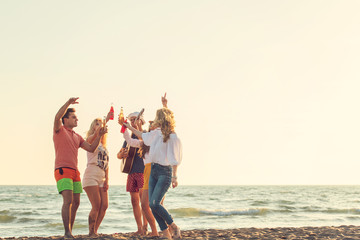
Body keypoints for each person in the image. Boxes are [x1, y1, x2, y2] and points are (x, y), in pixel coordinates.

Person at [123, 107, 182, 239]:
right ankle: (166, 233)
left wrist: (175, 176)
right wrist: (127, 127)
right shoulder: (154, 134)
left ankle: (173, 226)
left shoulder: (171, 135)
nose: (153, 121)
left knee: (155, 203)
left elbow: (175, 157)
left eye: (156, 118)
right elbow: (139, 136)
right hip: (153, 170)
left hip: (164, 171)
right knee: (151, 204)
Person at [53, 97, 107, 239]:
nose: (77, 120)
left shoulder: (77, 136)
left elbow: (91, 148)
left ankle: (70, 230)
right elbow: (57, 116)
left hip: (75, 171)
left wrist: (99, 135)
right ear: (65, 119)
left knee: (76, 202)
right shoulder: (59, 130)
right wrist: (68, 103)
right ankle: (67, 233)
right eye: (73, 117)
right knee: (68, 201)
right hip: (62, 169)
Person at [82, 110, 113, 237]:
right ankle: (91, 232)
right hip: (91, 174)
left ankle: (95, 230)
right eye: (97, 123)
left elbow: (106, 164)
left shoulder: (104, 145)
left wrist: (107, 180)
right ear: (93, 127)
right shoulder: (90, 139)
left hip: (102, 176)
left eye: (101, 123)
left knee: (104, 205)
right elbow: (92, 138)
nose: (99, 125)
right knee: (96, 205)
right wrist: (102, 125)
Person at [117, 112, 147, 235]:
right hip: (131, 171)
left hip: (142, 171)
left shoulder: (145, 135)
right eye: (132, 120)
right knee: (134, 201)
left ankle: (146, 226)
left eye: (135, 119)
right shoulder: (128, 138)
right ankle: (139, 228)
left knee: (143, 201)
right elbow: (120, 154)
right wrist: (121, 155)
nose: (133, 122)